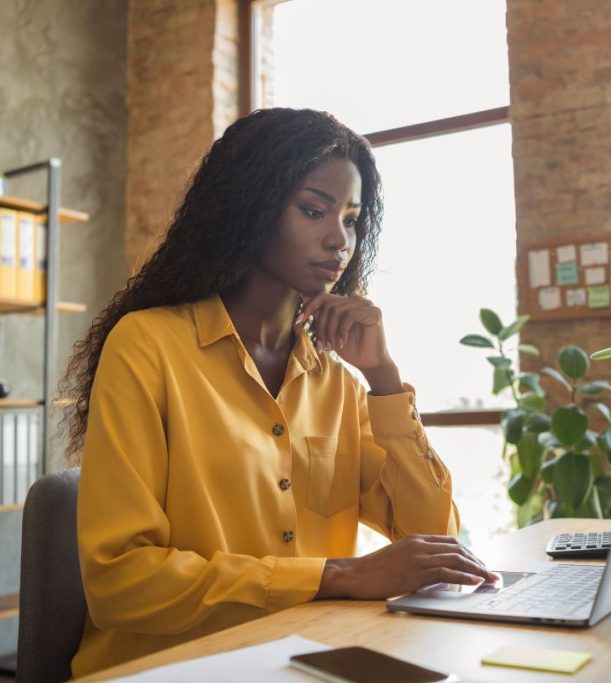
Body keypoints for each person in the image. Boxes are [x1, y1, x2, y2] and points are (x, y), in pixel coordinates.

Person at [61, 108, 499, 677]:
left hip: (299, 659)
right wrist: (336, 576)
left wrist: (385, 379)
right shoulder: (147, 346)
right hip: (168, 668)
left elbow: (431, 539)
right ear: (249, 205)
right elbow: (120, 582)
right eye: (314, 210)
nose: (339, 239)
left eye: (352, 219)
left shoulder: (337, 379)